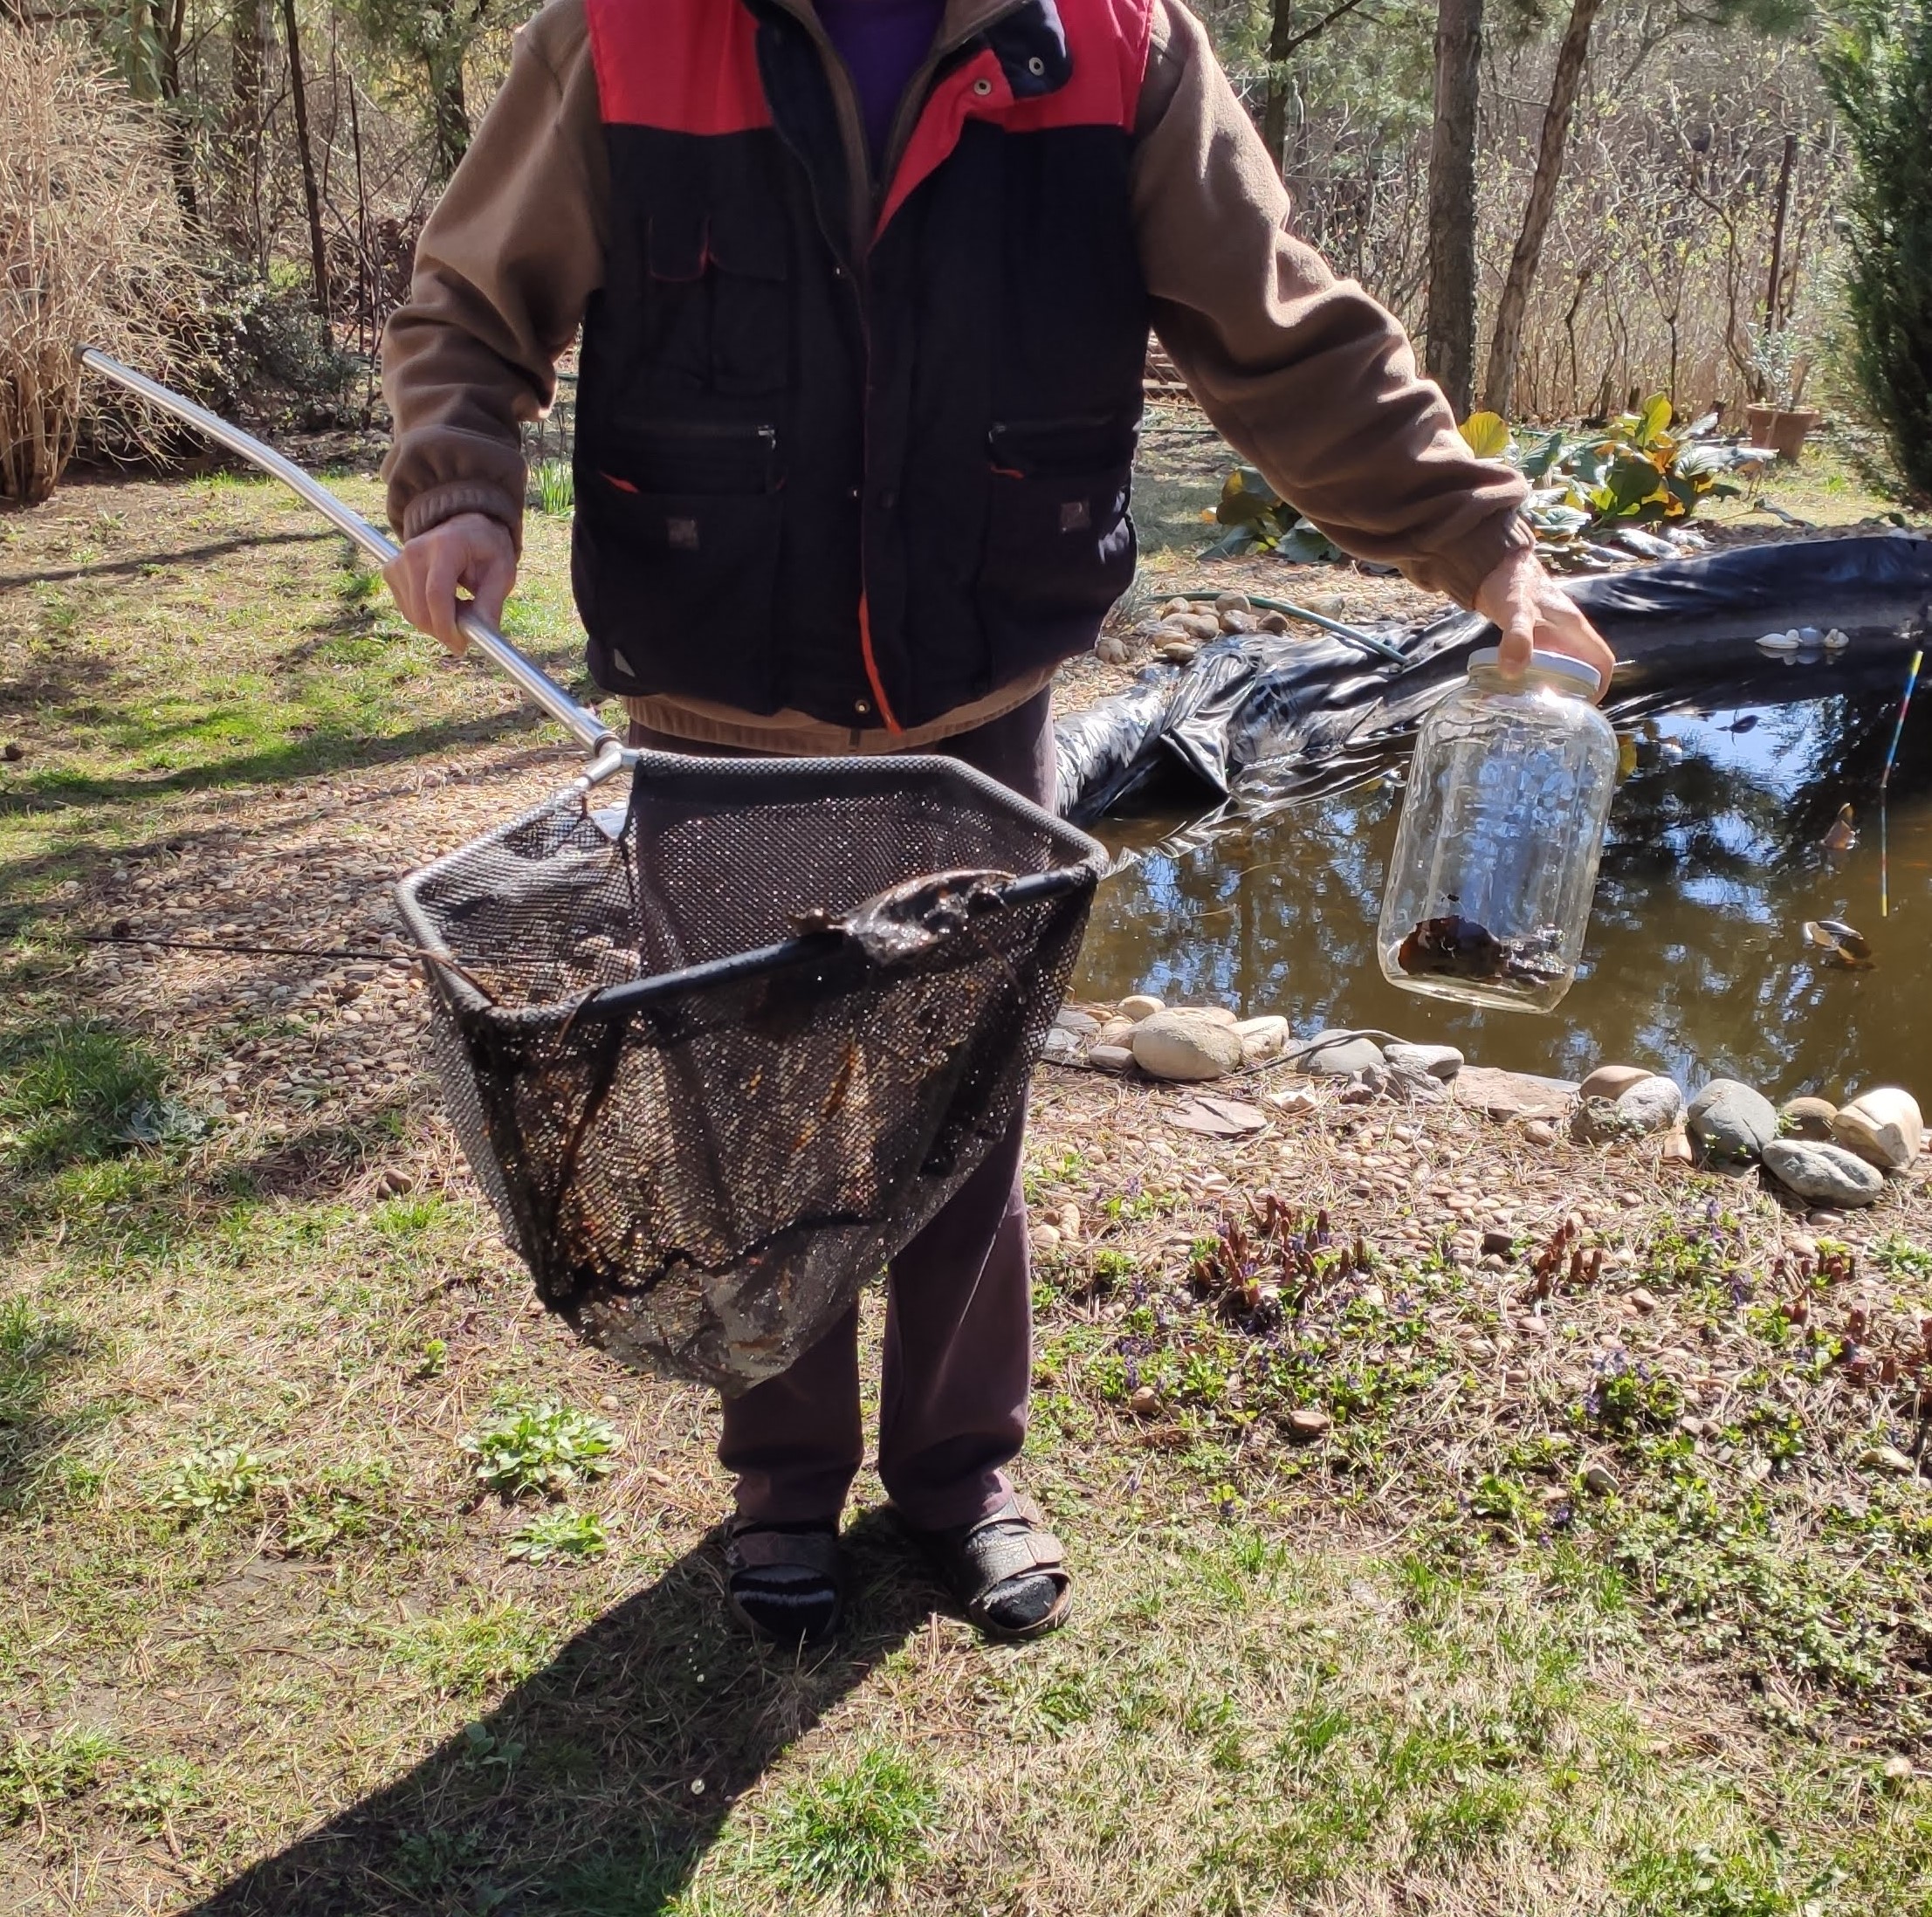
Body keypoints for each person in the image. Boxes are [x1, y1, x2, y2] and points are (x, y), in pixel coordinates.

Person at [379, 0, 1616, 1650]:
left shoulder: (1120, 47)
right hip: (713, 702)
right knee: (754, 1112)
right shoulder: (622, 33)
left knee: (964, 1113)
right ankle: (785, 1483)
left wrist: (1477, 543)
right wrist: (455, 479)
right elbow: (470, 296)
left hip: (979, 706)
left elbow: (1283, 332)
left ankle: (959, 1472)